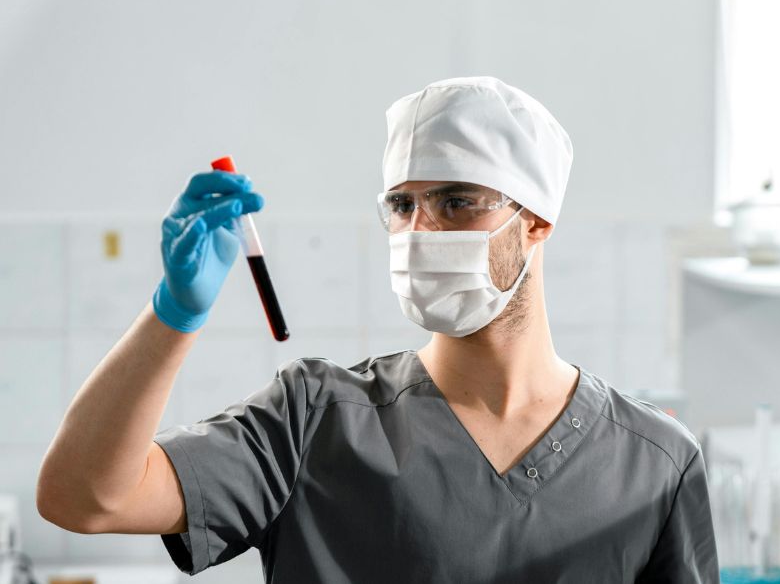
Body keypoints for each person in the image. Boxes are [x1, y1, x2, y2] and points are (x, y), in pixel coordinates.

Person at [36, 76, 719, 583]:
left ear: (535, 220)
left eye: (456, 202)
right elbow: (85, 496)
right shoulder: (314, 419)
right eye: (402, 204)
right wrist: (173, 314)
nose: (421, 232)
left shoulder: (654, 463)